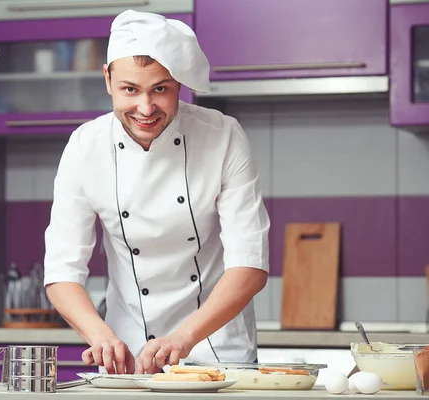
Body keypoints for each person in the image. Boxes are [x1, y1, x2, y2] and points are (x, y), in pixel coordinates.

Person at [43, 9, 270, 375]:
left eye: (160, 89)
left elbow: (250, 265)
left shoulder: (224, 137)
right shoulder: (86, 146)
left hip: (218, 351)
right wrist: (100, 336)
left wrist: (182, 339)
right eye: (129, 89)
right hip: (125, 353)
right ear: (108, 80)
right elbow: (61, 270)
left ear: (179, 84)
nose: (145, 108)